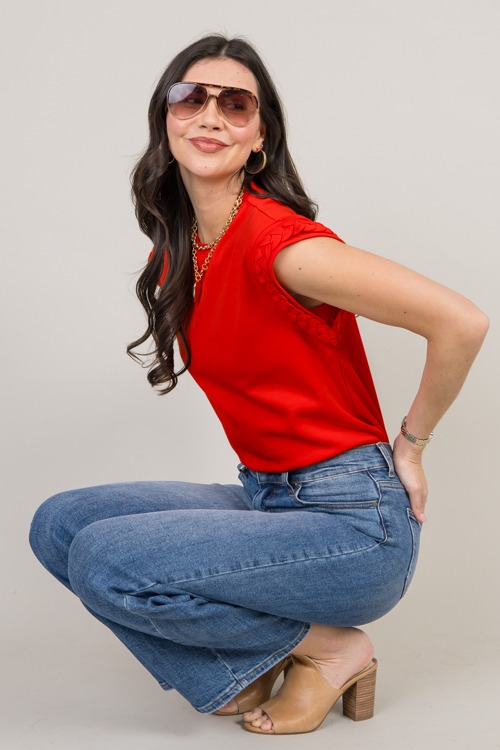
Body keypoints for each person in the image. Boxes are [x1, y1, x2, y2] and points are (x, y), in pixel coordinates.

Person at [29, 34, 488, 736]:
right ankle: (242, 671)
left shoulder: (288, 249)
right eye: (191, 97)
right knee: (60, 524)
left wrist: (413, 445)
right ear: (166, 120)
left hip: (356, 527)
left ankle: (331, 649)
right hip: (268, 496)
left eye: (234, 104)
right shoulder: (178, 254)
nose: (210, 115)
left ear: (257, 140)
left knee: (103, 558)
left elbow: (461, 322)